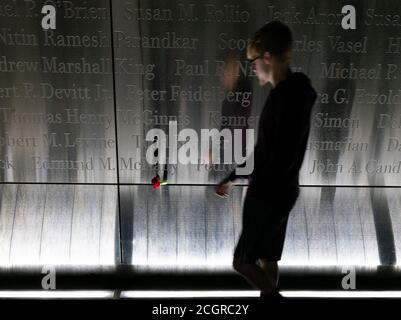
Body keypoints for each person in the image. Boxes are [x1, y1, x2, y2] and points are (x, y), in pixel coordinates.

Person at [215, 21, 317, 299]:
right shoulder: (297, 94)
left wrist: (241, 178)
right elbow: (274, 151)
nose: (254, 68)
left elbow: (270, 153)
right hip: (283, 192)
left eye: (255, 61)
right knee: (268, 258)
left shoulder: (285, 98)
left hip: (267, 194)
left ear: (268, 58)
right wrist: (237, 176)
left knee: (242, 261)